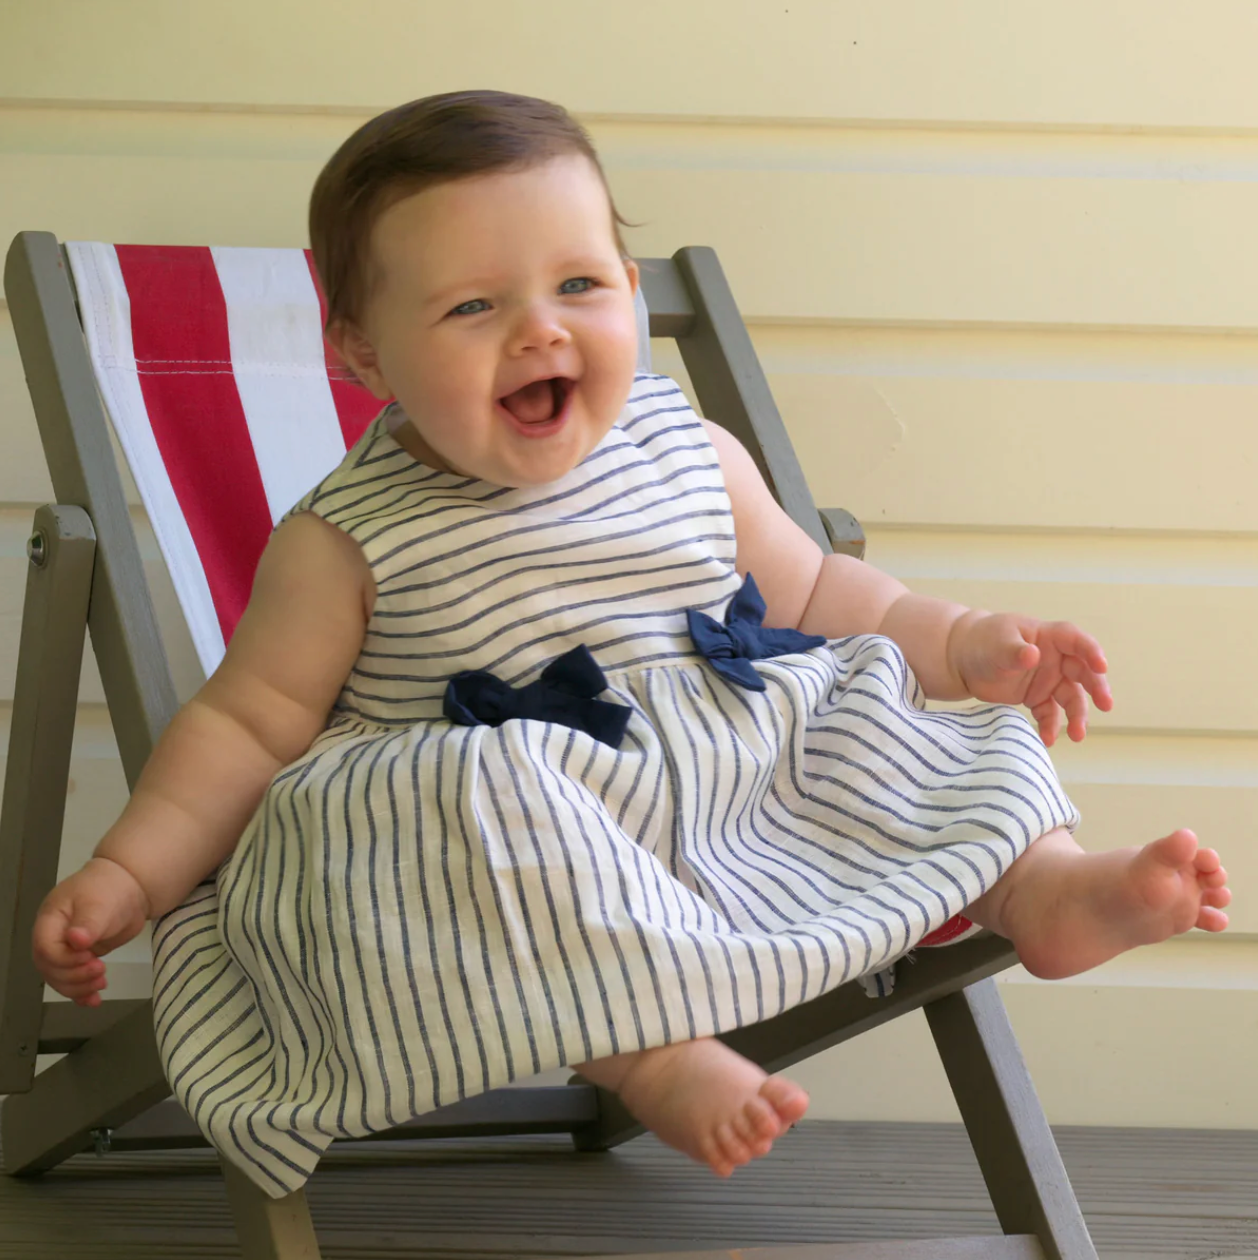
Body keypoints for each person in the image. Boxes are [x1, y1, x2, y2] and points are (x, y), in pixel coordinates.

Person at [31, 90, 1231, 1196]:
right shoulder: (345, 539)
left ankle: (1039, 884)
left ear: (628, 288)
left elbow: (816, 586)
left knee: (904, 705)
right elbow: (247, 725)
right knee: (438, 796)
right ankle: (649, 1051)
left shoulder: (686, 445)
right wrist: (131, 873)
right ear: (360, 355)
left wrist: (965, 642)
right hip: (534, 823)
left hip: (737, 787)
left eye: (580, 286)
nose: (538, 331)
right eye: (472, 305)